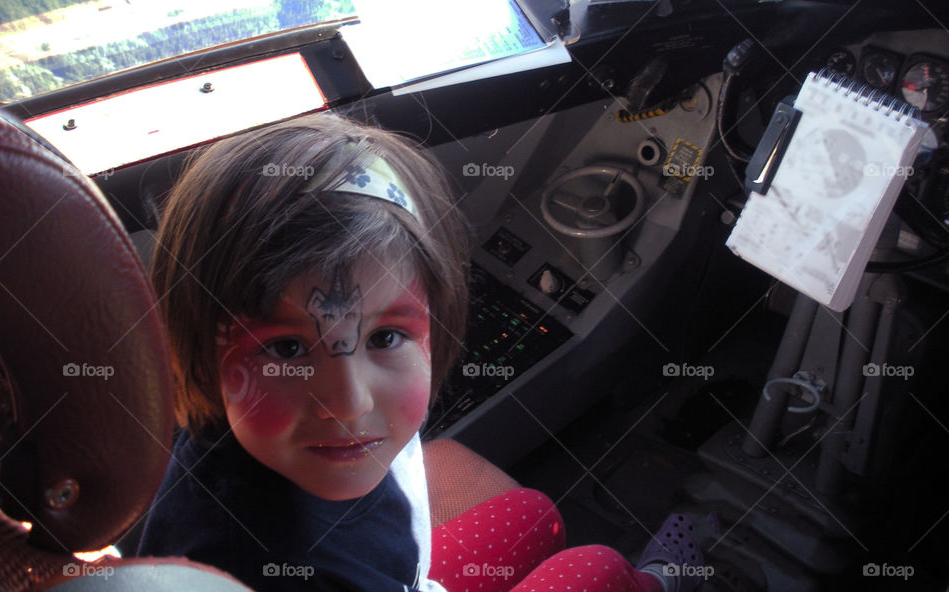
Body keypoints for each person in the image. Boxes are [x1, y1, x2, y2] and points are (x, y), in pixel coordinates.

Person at [137, 113, 701, 592]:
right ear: (200, 356)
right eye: (285, 348)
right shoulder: (258, 565)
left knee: (536, 517)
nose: (351, 402)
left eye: (385, 337)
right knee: (598, 569)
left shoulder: (270, 434)